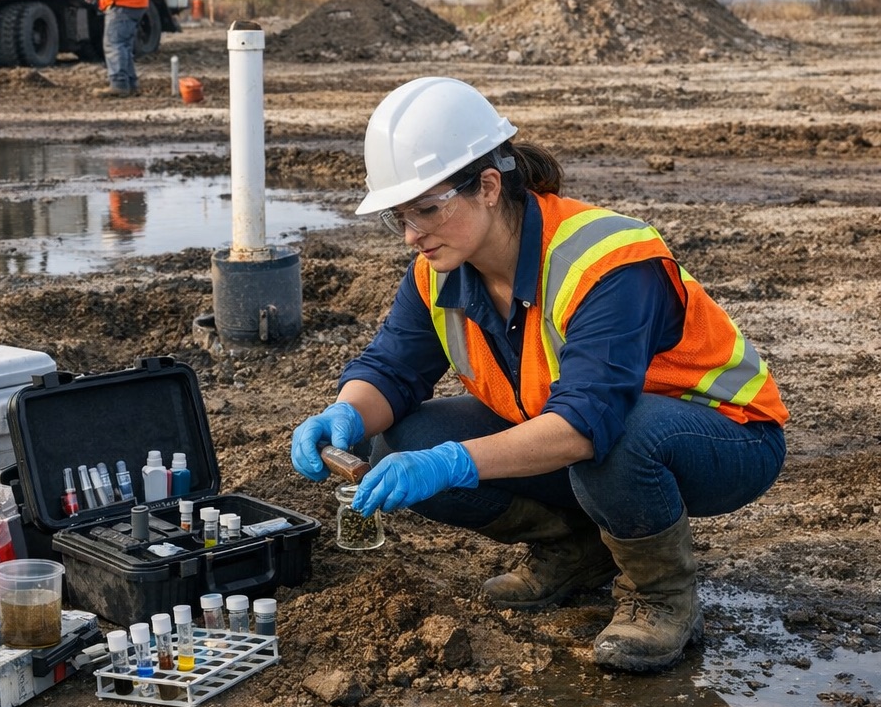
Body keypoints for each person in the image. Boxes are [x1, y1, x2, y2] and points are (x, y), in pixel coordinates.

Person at [291, 76, 787, 673]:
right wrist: (345, 412)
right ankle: (575, 550)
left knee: (615, 438)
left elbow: (586, 421)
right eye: (399, 215)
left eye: (426, 209)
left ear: (489, 187)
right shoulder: (439, 269)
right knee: (399, 438)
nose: (412, 234)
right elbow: (392, 369)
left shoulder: (606, 260)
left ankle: (662, 596)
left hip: (724, 438)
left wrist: (453, 462)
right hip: (586, 436)